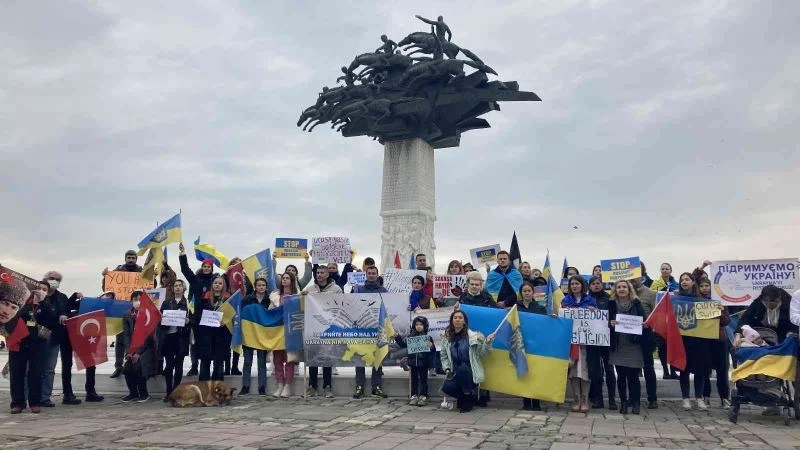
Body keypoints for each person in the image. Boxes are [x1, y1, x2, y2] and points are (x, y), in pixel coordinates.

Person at [39, 270, 81, 407]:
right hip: (37, 336)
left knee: (49, 369)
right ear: (45, 279)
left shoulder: (62, 297)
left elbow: (67, 309)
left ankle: (45, 398)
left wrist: (65, 313)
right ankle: (31, 396)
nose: (54, 281)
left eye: (57, 279)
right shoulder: (37, 294)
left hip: (54, 337)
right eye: (51, 278)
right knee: (34, 367)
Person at [4, 279, 46, 413]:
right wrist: (29, 306)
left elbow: (49, 319)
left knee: (35, 373)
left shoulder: (45, 304)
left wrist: (40, 305)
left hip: (36, 343)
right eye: (38, 289)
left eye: (43, 290)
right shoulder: (20, 303)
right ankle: (17, 403)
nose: (40, 292)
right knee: (16, 373)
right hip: (18, 342)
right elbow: (13, 317)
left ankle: (35, 402)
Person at [440, 310, 495, 413]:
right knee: (447, 387)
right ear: (452, 321)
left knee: (463, 369)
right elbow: (444, 356)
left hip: (470, 373)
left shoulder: (474, 337)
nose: (457, 320)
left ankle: (467, 399)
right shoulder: (446, 339)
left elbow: (483, 354)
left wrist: (487, 342)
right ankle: (467, 398)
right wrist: (447, 369)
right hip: (455, 373)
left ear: (464, 321)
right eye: (455, 318)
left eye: (460, 318)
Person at [179, 242, 218, 376]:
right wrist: (182, 254)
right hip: (197, 318)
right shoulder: (195, 280)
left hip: (212, 319)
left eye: (209, 267)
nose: (206, 268)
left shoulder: (217, 282)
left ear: (212, 269)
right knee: (195, 343)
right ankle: (195, 365)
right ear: (202, 268)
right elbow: (185, 270)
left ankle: (213, 369)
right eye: (204, 266)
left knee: (211, 345)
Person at [303, 266, 343, 398]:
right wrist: (302, 297)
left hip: (329, 328)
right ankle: (312, 386)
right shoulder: (309, 290)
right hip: (313, 327)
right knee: (313, 357)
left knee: (327, 358)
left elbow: (341, 305)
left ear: (327, 274)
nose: (319, 275)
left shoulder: (336, 289)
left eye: (322, 272)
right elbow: (301, 306)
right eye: (317, 272)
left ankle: (327, 387)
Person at [674, 272, 712, 411]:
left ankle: (699, 398)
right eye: (682, 279)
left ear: (692, 282)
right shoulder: (676, 298)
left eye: (687, 279)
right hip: (682, 339)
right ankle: (685, 399)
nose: (684, 282)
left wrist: (718, 310)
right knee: (684, 369)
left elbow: (714, 320)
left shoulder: (702, 299)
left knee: (700, 370)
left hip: (700, 339)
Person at [104, 250, 144, 379]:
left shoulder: (142, 271)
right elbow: (108, 289)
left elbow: (149, 288)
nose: (131, 259)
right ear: (125, 258)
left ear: (136, 259)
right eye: (129, 257)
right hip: (120, 311)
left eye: (133, 257)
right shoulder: (117, 271)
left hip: (137, 310)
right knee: (120, 340)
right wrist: (105, 276)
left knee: (139, 338)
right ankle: (119, 366)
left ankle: (138, 364)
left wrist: (153, 277)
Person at [561, 275, 597, 412]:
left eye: (577, 283)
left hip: (586, 343)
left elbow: (597, 322)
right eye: (572, 284)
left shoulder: (590, 300)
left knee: (585, 371)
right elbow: (562, 319)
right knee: (574, 371)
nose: (575, 286)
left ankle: (585, 399)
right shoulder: (565, 301)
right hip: (571, 342)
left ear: (582, 285)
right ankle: (576, 398)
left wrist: (595, 312)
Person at [609, 280, 645, 415]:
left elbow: (644, 319)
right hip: (618, 344)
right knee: (621, 376)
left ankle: (636, 402)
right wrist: (610, 323)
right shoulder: (611, 304)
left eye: (624, 286)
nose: (621, 289)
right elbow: (605, 321)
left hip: (633, 345)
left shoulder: (636, 303)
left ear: (629, 289)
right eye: (618, 287)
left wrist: (642, 324)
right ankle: (623, 402)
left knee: (633, 377)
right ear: (615, 290)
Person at [353, 265, 389, 398]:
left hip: (378, 329)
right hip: (362, 329)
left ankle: (376, 386)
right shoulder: (358, 290)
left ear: (377, 274)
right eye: (369, 273)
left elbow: (389, 307)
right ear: (366, 275)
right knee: (359, 358)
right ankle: (359, 386)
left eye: (374, 273)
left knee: (378, 357)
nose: (372, 275)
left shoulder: (384, 291)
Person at [698, 277, 731, 408]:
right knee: (705, 370)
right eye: (702, 286)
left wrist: (721, 310)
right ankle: (706, 396)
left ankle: (724, 397)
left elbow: (726, 321)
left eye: (707, 285)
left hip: (719, 339)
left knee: (722, 370)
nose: (705, 288)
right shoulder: (696, 301)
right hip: (704, 339)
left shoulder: (719, 301)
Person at [158, 280, 191, 401]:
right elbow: (159, 320)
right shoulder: (167, 303)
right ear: (173, 289)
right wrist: (161, 318)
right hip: (168, 337)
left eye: (180, 286)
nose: (177, 288)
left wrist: (189, 321)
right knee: (169, 366)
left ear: (184, 288)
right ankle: (168, 391)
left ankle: (176, 392)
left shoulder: (188, 303)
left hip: (181, 337)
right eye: (175, 285)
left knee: (179, 366)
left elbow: (194, 320)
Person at [193, 275, 231, 381]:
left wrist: (226, 322)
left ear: (223, 285)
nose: (217, 285)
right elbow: (198, 315)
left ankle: (217, 392)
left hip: (221, 336)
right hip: (206, 335)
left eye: (220, 283)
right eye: (215, 283)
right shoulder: (204, 298)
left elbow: (232, 317)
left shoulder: (228, 300)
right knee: (205, 363)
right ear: (212, 285)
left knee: (219, 364)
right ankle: (204, 391)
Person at [587, 276, 616, 410]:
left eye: (598, 283)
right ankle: (598, 399)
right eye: (593, 284)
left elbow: (613, 316)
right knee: (595, 371)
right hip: (591, 340)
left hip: (606, 338)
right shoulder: (586, 299)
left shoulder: (609, 299)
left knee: (609, 369)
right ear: (589, 286)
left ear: (602, 285)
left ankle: (611, 400)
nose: (596, 286)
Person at [517, 281, 547, 410]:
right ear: (521, 293)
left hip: (536, 345)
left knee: (535, 373)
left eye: (529, 291)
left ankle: (536, 402)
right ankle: (526, 402)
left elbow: (545, 325)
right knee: (523, 371)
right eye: (524, 291)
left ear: (533, 292)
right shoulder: (515, 308)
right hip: (521, 343)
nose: (527, 293)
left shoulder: (540, 308)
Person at [630, 276, 659, 409]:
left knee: (648, 367)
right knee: (632, 369)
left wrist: (649, 323)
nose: (632, 280)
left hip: (646, 335)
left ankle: (652, 398)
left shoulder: (651, 294)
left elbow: (657, 314)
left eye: (634, 277)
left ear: (641, 277)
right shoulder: (623, 292)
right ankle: (633, 397)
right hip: (628, 336)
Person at [270, 272, 300, 397]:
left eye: (287, 278)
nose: (285, 280)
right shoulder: (275, 296)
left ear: (292, 280)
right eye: (283, 278)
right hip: (277, 331)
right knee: (277, 359)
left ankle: (288, 385)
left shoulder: (297, 296)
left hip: (291, 332)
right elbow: (270, 311)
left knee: (289, 359)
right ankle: (279, 385)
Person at [394, 316, 435, 406]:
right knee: (414, 380)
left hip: (423, 363)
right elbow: (403, 345)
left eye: (421, 324)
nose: (419, 326)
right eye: (417, 324)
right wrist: (397, 337)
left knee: (424, 380)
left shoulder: (428, 338)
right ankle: (414, 395)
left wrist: (431, 346)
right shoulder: (410, 337)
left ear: (425, 326)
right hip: (413, 363)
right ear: (414, 326)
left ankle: (424, 395)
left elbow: (433, 351)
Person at [240, 277, 271, 396]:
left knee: (261, 362)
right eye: (259, 285)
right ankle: (245, 386)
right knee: (247, 361)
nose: (261, 287)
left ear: (266, 287)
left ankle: (262, 387)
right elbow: (242, 313)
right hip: (249, 334)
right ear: (255, 287)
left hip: (262, 335)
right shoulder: (247, 299)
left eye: (263, 285)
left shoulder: (269, 299)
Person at [121, 295, 154, 403]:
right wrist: (129, 352)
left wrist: (138, 353)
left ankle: (144, 394)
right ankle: (133, 393)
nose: (137, 301)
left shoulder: (148, 314)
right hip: (132, 348)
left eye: (140, 299)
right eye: (135, 299)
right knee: (126, 368)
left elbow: (149, 337)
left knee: (139, 365)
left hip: (146, 348)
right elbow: (126, 335)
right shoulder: (126, 315)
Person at [651, 262, 680, 379]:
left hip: (674, 319)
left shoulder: (676, 285)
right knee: (662, 347)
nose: (664, 270)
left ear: (671, 270)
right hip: (660, 319)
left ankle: (673, 370)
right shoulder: (655, 284)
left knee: (672, 346)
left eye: (667, 268)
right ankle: (665, 370)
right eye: (662, 269)